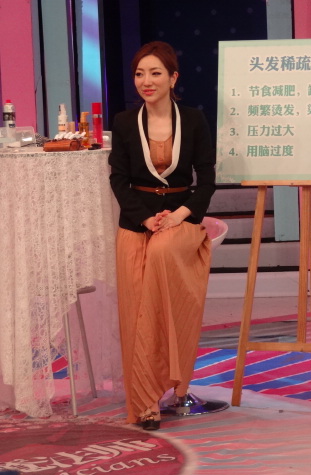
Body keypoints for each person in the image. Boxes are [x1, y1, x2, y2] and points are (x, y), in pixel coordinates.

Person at [109, 41, 216, 430]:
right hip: (138, 223)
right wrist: (145, 219)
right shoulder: (125, 122)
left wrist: (180, 215)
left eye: (155, 73)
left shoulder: (194, 119)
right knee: (135, 310)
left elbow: (207, 179)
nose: (146, 81)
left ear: (173, 78)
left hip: (180, 221)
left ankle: (171, 383)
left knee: (161, 256)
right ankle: (144, 403)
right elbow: (119, 180)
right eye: (140, 74)